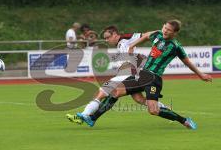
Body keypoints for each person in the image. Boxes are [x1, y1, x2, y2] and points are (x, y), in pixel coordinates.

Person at [68, 20, 212, 130]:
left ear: (175, 33)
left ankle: (183, 120)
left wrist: (200, 74)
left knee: (153, 110)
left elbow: (187, 62)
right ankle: (92, 118)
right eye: (164, 28)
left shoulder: (176, 47)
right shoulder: (157, 35)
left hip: (154, 78)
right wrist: (131, 46)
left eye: (169, 30)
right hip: (141, 74)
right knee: (115, 91)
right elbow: (147, 35)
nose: (165, 31)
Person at [66, 26, 168, 125]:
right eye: (105, 38)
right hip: (130, 74)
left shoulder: (127, 38)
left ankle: (84, 115)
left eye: (108, 37)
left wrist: (162, 32)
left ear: (115, 34)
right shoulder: (120, 43)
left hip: (129, 72)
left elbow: (146, 35)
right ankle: (168, 110)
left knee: (103, 91)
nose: (106, 40)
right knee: (139, 99)